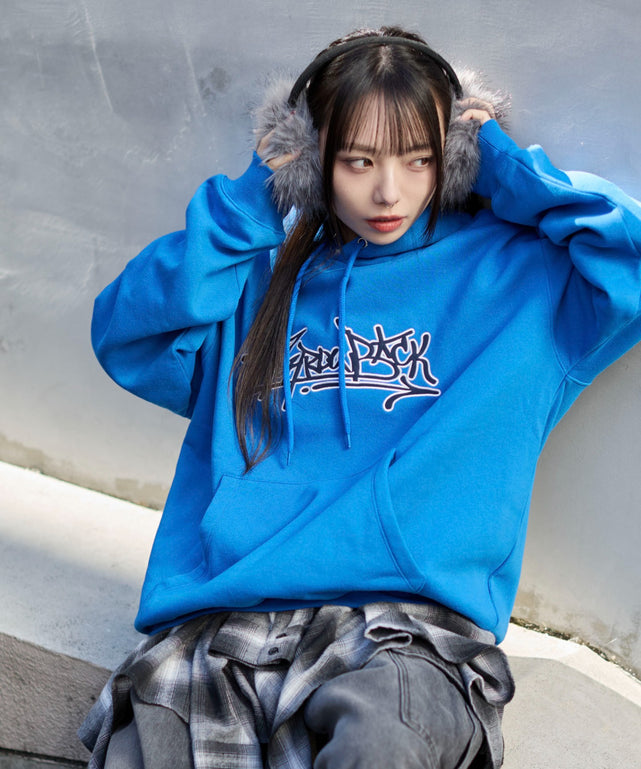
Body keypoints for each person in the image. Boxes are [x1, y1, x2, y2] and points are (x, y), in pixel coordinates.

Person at [79, 25, 641, 769]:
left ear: (453, 158)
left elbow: (628, 255)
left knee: (383, 741)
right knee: (144, 745)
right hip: (227, 619)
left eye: (419, 159)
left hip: (406, 629)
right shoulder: (260, 288)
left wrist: (500, 163)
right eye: (357, 161)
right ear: (313, 160)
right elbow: (127, 335)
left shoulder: (519, 283)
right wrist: (253, 200)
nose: (388, 192)